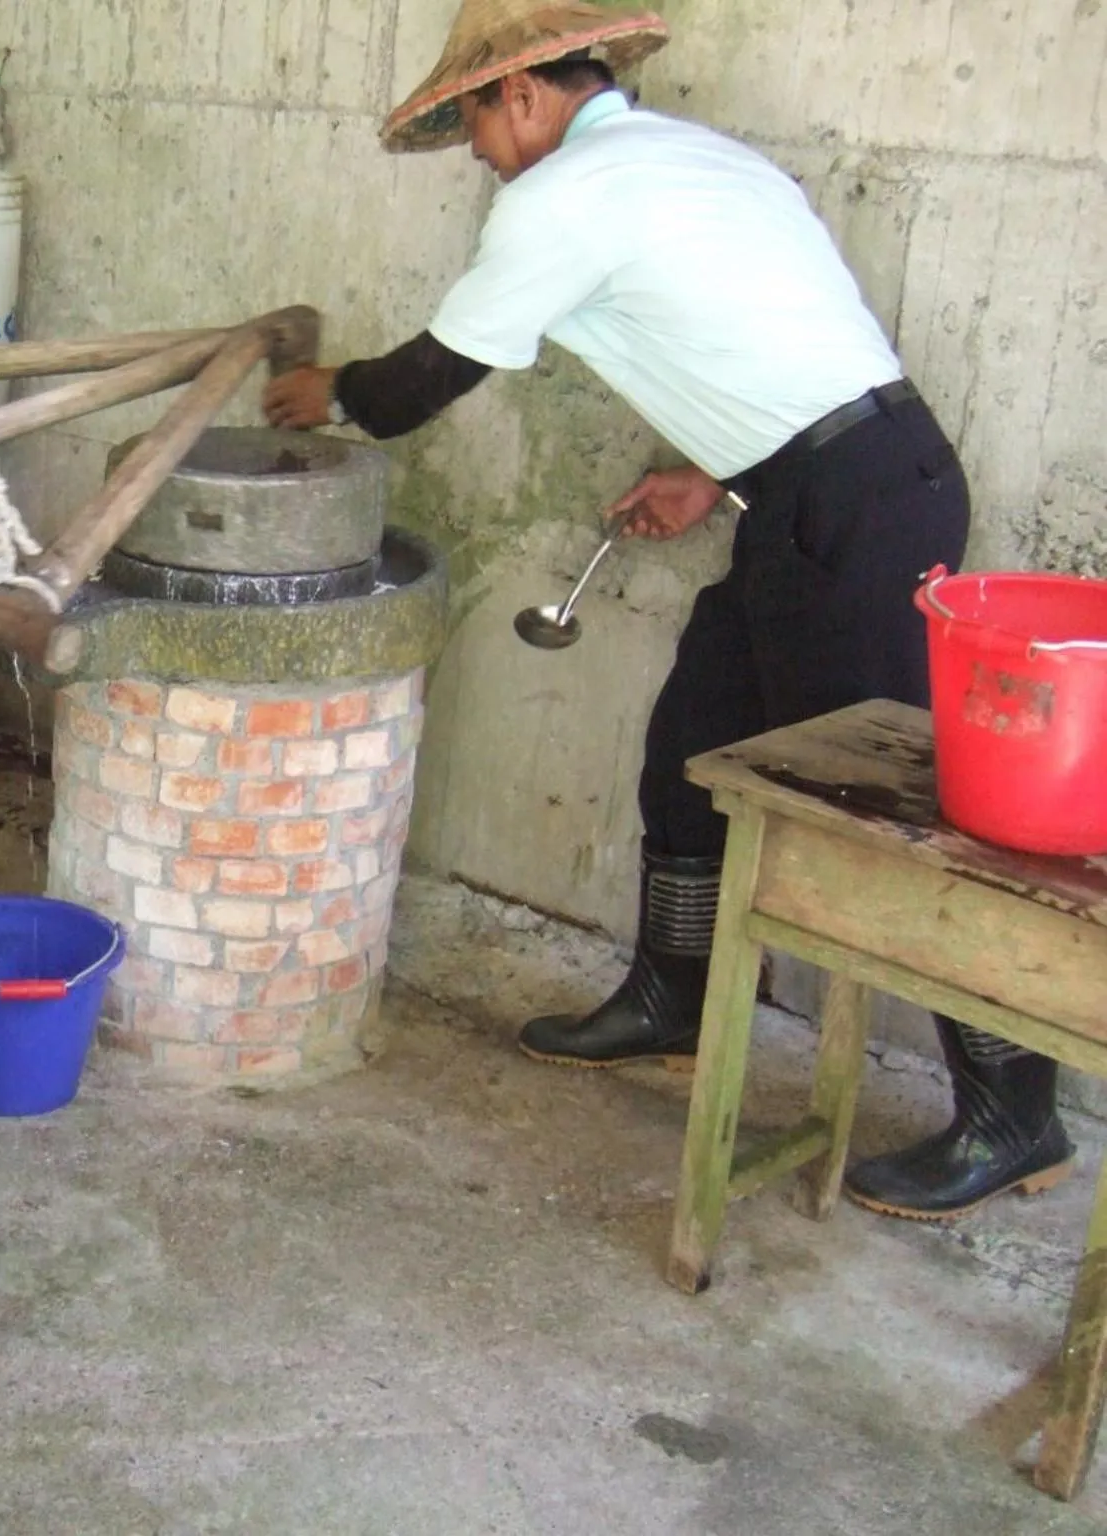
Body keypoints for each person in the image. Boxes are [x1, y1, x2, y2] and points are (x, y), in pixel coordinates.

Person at [262, 1, 1069, 1222]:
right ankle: (671, 1000)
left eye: (472, 121)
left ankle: (1014, 1113)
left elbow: (423, 381)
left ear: (518, 94)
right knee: (693, 744)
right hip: (830, 487)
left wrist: (328, 392)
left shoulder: (560, 198)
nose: (475, 152)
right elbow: (771, 341)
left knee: (896, 819)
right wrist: (712, 473)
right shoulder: (690, 162)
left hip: (847, 510)